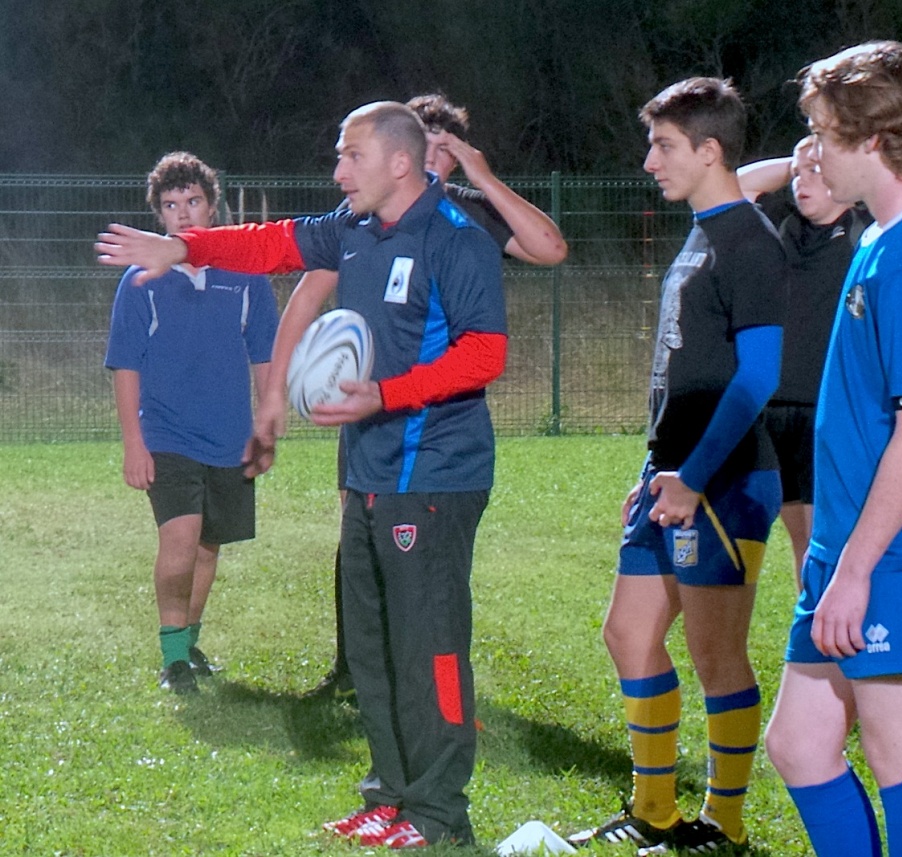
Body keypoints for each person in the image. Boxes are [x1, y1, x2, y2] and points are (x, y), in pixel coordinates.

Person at [96, 100, 506, 849]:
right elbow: (269, 244)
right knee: (373, 646)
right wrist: (181, 247)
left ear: (400, 162)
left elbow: (485, 353)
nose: (337, 169)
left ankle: (439, 813)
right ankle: (389, 795)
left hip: (436, 474)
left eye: (350, 154)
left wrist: (386, 393)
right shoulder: (353, 228)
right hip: (371, 471)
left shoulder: (456, 239)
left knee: (430, 646)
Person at [763, 42, 902, 857]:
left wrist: (856, 570)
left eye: (823, 132)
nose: (811, 150)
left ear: (873, 140)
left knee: (899, 753)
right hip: (850, 542)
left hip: (898, 551)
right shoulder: (880, 240)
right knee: (799, 744)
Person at [567, 77, 786, 854]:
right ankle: (654, 809)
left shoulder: (749, 242)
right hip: (672, 475)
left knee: (715, 655)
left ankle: (723, 823)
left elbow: (758, 376)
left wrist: (693, 477)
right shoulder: (702, 229)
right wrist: (658, 466)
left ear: (709, 150)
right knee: (627, 634)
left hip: (725, 481)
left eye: (663, 145)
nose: (649, 161)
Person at [301, 91, 568, 703]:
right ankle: (357, 669)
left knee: (428, 578)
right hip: (367, 419)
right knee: (360, 544)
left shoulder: (467, 217)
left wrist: (483, 176)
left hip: (435, 431)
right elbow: (311, 287)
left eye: (440, 150)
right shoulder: (366, 218)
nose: (426, 161)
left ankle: (432, 694)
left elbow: (551, 249)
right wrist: (274, 389)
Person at [104, 151, 278, 695]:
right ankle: (173, 657)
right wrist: (134, 443)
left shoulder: (246, 275)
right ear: (158, 214)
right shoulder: (141, 281)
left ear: (212, 206)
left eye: (193, 201)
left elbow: (265, 355)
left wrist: (266, 425)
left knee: (208, 545)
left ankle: (191, 643)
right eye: (171, 205)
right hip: (167, 435)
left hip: (229, 436)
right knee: (180, 541)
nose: (183, 213)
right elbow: (125, 365)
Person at [737, 137, 871, 585]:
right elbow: (739, 185)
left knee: (823, 538)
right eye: (796, 175)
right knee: (801, 542)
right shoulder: (781, 227)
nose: (800, 182)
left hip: (825, 411)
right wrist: (800, 159)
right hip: (773, 410)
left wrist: (830, 160)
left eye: (815, 172)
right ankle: (811, 622)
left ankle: (831, 625)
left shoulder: (863, 233)